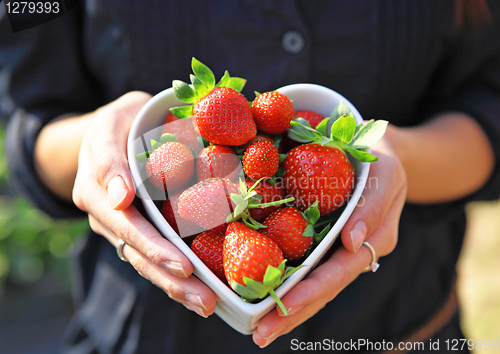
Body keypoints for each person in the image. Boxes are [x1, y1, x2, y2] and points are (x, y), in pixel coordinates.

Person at [1, 1, 499, 353]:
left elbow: (488, 107)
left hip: (401, 330)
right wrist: (104, 142)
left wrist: (394, 157)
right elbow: (31, 123)